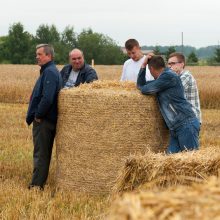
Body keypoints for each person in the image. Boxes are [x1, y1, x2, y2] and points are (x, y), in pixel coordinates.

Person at [137, 55, 200, 154]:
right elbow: (141, 85)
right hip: (176, 128)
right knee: (170, 162)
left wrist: (143, 65)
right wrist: (144, 65)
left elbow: (144, 89)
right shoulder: (163, 78)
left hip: (186, 125)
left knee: (192, 161)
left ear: (151, 69)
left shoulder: (168, 76)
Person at [26, 44, 62, 190]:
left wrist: (38, 115)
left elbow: (47, 98)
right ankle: (38, 182)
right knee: (42, 152)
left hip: (44, 121)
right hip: (46, 119)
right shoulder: (49, 71)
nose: (37, 57)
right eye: (37, 54)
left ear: (49, 56)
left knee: (41, 153)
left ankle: (36, 185)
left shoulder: (50, 72)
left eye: (39, 54)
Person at [168, 52, 201, 123]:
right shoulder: (176, 77)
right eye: (169, 64)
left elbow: (172, 92)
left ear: (182, 64)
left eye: (173, 63)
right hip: (183, 119)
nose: (170, 66)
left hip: (190, 120)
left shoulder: (186, 76)